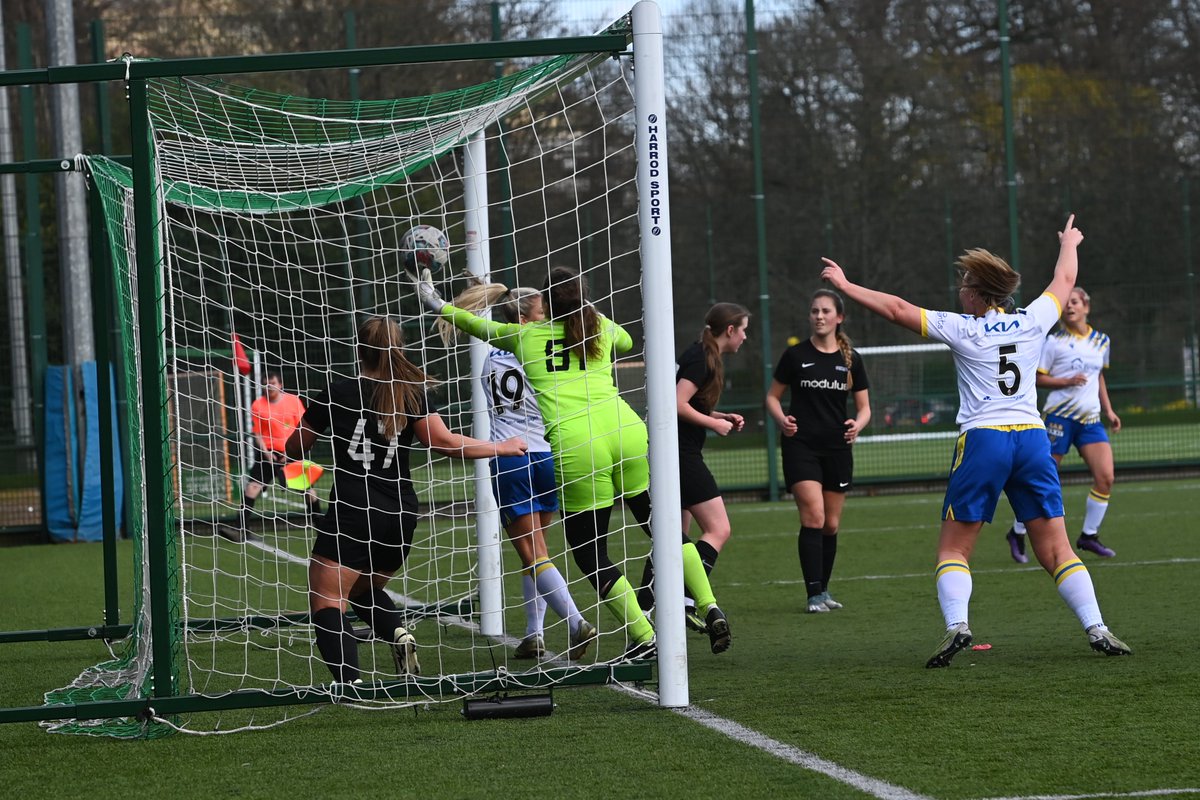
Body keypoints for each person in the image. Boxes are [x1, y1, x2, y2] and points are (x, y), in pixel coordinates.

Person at [819, 214, 1131, 667]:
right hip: (1031, 440)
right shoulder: (1033, 320)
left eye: (964, 283)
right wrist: (1069, 241)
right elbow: (1065, 277)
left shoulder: (963, 327)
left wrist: (846, 286)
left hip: (984, 440)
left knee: (953, 549)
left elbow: (896, 309)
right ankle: (1096, 626)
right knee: (1057, 549)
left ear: (977, 293)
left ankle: (957, 626)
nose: (959, 289)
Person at [419, 265, 731, 658]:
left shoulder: (524, 337)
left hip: (577, 445)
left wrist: (434, 301)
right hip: (627, 433)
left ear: (546, 303)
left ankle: (642, 635)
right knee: (663, 529)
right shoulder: (596, 325)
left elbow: (473, 325)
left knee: (589, 551)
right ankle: (708, 604)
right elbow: (628, 339)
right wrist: (589, 311)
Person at [286, 316, 526, 685]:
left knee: (328, 599)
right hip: (400, 513)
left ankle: (349, 685)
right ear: (398, 349)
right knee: (365, 590)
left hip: (352, 510)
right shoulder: (411, 393)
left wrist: (302, 466)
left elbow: (295, 446)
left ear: (359, 348)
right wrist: (502, 447)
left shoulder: (337, 392)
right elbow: (444, 442)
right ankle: (399, 633)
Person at [437, 282, 597, 661]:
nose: (549, 320)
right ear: (525, 318)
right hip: (547, 456)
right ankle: (534, 633)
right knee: (538, 550)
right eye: (543, 314)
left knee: (532, 553)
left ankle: (575, 623)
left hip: (509, 459)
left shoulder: (493, 357)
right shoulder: (546, 351)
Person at [637, 303, 750, 632]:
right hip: (680, 456)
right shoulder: (701, 357)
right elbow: (675, 403)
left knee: (674, 540)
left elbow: (690, 403)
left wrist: (719, 416)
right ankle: (686, 598)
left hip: (678, 451)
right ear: (729, 330)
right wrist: (712, 425)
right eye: (743, 329)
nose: (745, 337)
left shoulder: (705, 355)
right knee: (719, 529)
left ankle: (645, 613)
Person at [765, 290, 871, 614]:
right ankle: (812, 594)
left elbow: (865, 407)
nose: (819, 316)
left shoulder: (851, 359)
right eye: (814, 311)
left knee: (831, 524)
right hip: (801, 447)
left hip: (837, 449)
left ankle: (824, 591)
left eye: (826, 311)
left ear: (839, 317)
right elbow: (771, 397)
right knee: (814, 516)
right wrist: (782, 420)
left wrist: (858, 425)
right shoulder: (795, 356)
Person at [1004, 286, 1122, 563]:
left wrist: (1109, 409)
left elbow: (1098, 378)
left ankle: (1088, 535)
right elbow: (1037, 378)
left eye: (1075, 302)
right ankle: (1018, 531)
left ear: (1086, 306)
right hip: (1059, 418)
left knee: (1106, 477)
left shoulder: (1101, 341)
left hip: (1090, 420)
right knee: (1043, 476)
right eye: (1066, 303)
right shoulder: (1053, 342)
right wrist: (1066, 381)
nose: (1070, 307)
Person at [228, 372, 321, 541]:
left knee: (308, 491)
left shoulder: (293, 401)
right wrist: (266, 453)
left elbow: (303, 427)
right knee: (252, 488)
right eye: (266, 384)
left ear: (280, 384)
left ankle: (320, 528)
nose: (269, 386)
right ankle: (241, 529)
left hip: (292, 452)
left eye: (272, 383)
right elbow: (257, 433)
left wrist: (292, 451)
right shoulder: (258, 405)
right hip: (268, 454)